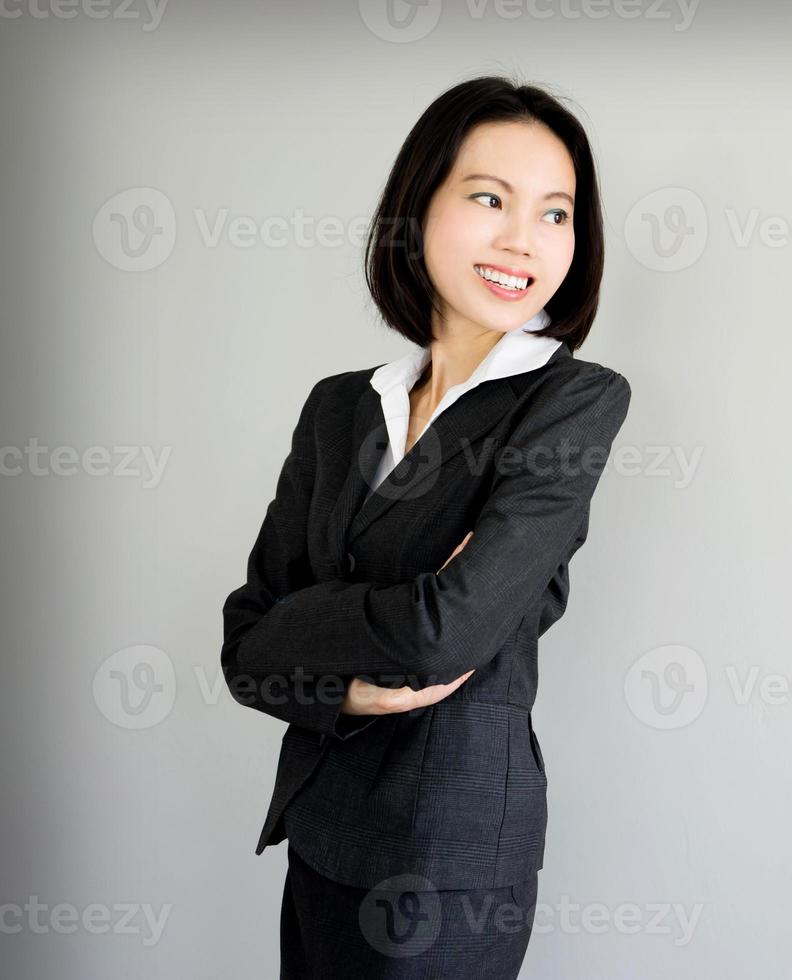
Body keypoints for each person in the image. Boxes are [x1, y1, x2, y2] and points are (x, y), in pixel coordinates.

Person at [220, 75, 631, 979]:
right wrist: (348, 689)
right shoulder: (340, 408)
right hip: (321, 826)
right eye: (489, 198)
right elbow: (246, 645)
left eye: (556, 214)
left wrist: (316, 620)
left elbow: (445, 633)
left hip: (445, 862)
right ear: (419, 208)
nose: (523, 240)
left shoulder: (571, 402)